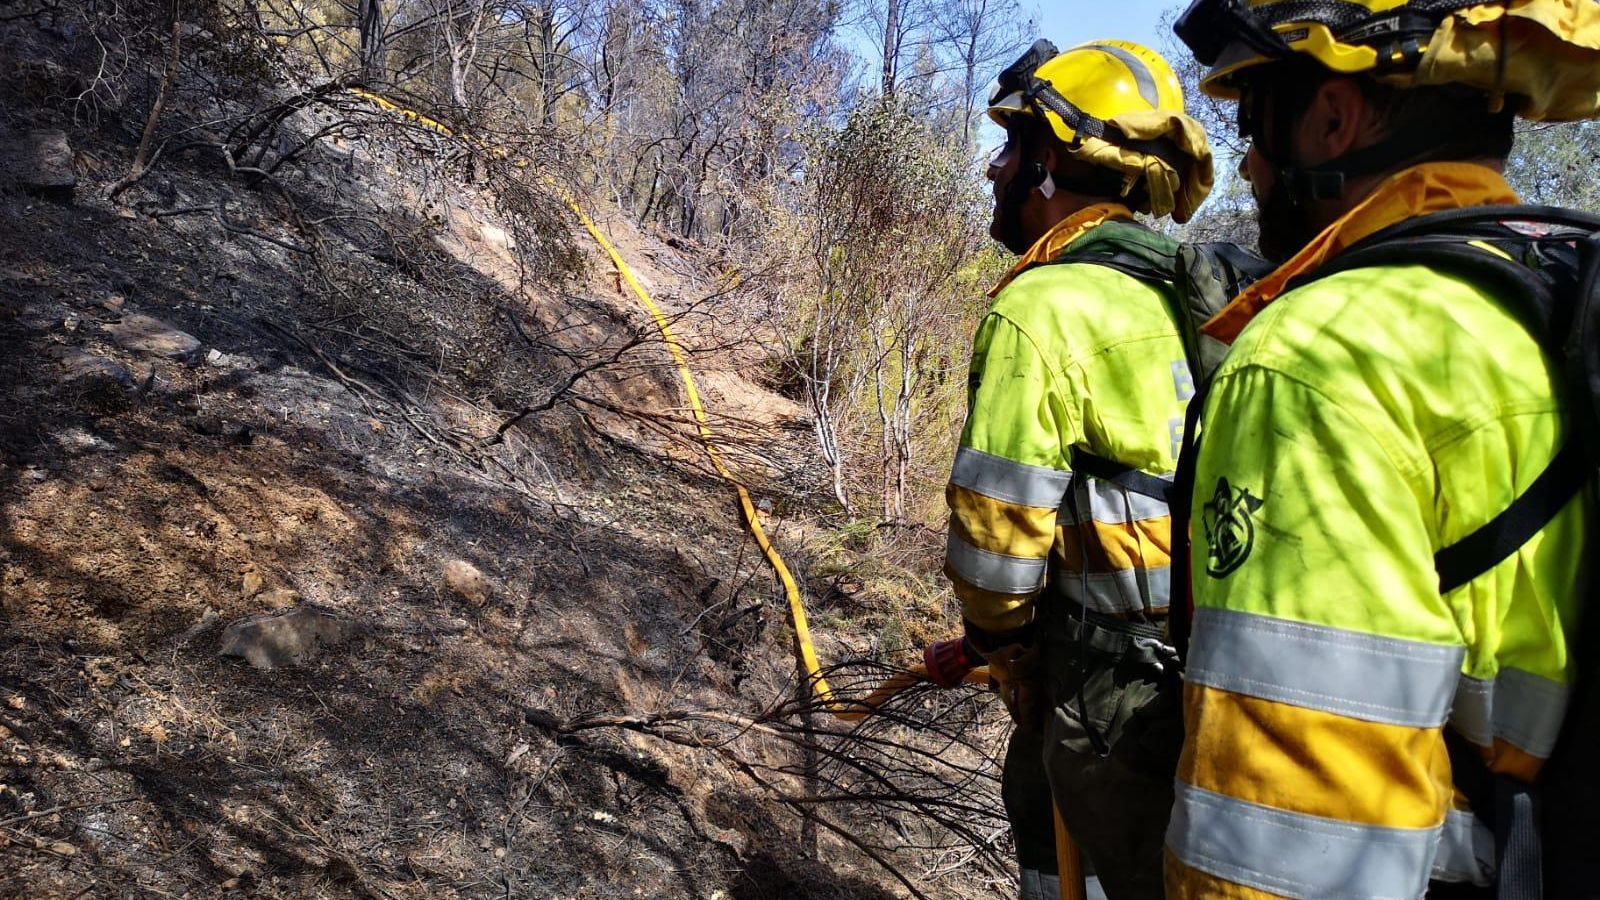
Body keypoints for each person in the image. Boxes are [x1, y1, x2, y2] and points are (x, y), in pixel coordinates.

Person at [1164, 0, 1600, 895]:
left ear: (1332, 116)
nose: (1246, 161)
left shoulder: (1323, 356)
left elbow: (1283, 844)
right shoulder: (1554, 291)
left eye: (1254, 121)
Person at [936, 37, 1214, 900]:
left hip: (1107, 701)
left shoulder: (1044, 306)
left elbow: (995, 543)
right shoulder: (1195, 290)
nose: (995, 170)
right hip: (1209, 681)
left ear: (1051, 165)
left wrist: (1002, 649)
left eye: (1012, 147)